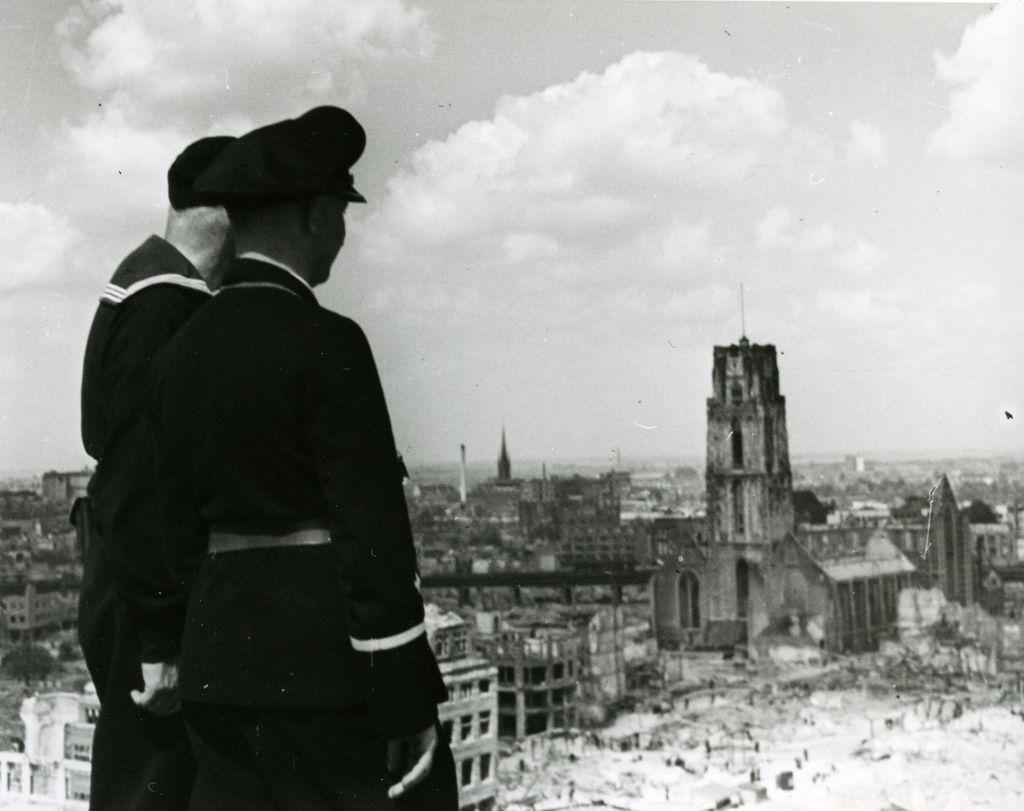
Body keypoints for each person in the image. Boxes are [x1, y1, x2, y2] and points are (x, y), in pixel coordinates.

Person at [148, 106, 457, 810]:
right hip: (323, 673)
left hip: (215, 666)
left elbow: (168, 534)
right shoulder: (329, 342)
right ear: (316, 215)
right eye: (341, 214)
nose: (342, 236)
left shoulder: (175, 355)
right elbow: (371, 534)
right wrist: (404, 699)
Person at [76, 135, 235, 810]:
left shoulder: (140, 278)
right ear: (229, 214)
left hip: (128, 579)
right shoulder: (170, 300)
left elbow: (99, 436)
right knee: (149, 790)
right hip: (147, 590)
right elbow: (139, 479)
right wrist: (160, 638)